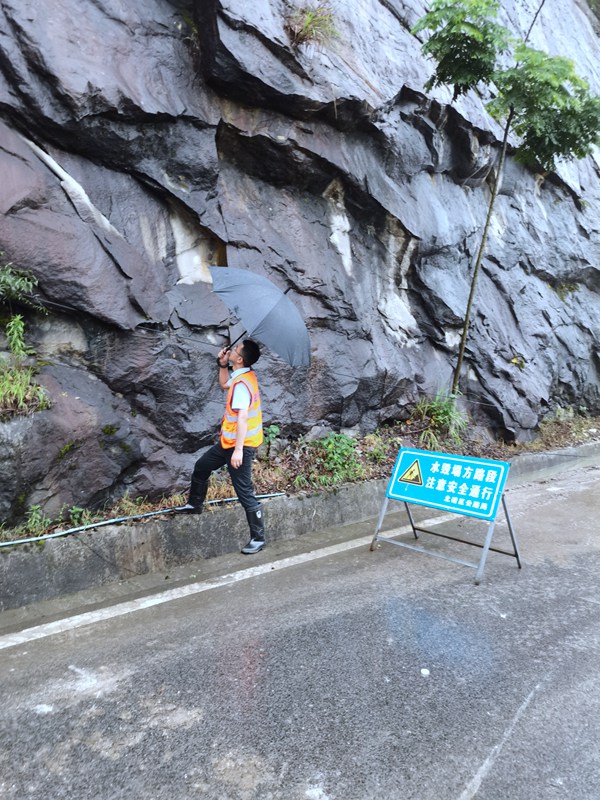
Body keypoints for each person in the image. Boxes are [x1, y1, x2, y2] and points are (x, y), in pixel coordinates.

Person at [179, 339, 266, 554]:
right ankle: (195, 504)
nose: (232, 349)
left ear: (239, 359)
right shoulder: (242, 376)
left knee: (244, 490)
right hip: (227, 443)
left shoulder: (243, 386)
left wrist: (237, 451)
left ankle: (258, 538)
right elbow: (224, 384)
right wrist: (222, 365)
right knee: (202, 466)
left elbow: (243, 418)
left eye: (235, 350)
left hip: (240, 447)